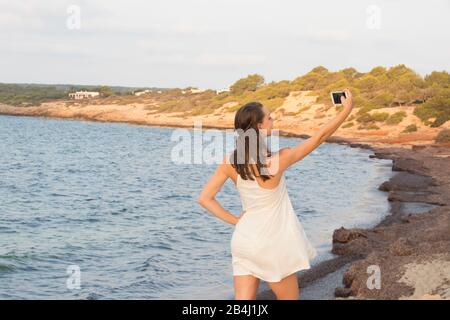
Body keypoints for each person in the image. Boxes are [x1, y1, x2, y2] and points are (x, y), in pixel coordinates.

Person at [197, 89, 353, 300]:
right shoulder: (278, 161)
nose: (273, 119)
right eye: (269, 117)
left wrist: (236, 220)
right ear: (260, 126)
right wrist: (346, 110)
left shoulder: (230, 162)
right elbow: (320, 137)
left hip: (243, 240)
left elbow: (205, 198)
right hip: (271, 244)